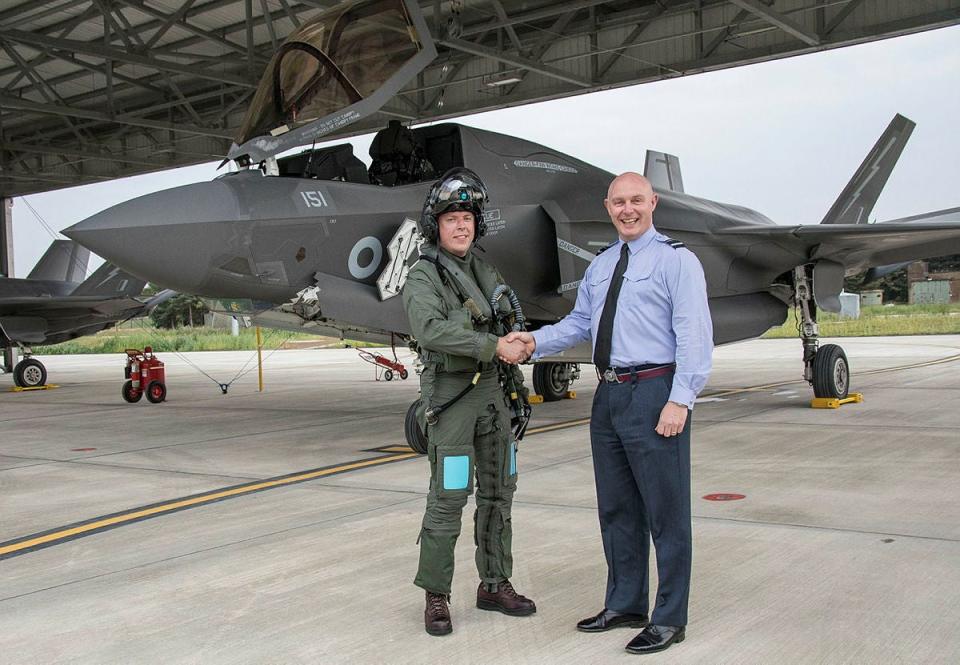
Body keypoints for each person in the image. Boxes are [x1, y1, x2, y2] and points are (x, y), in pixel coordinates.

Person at [508, 172, 712, 655]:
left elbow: (695, 338)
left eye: (636, 200)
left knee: (666, 513)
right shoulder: (601, 266)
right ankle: (624, 603)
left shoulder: (677, 262)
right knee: (617, 508)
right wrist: (535, 341)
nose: (628, 210)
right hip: (610, 394)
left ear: (652, 203)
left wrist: (680, 400)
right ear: (608, 207)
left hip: (655, 390)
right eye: (619, 202)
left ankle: (669, 617)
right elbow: (580, 323)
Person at [402, 167, 534, 637]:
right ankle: (436, 597)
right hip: (454, 401)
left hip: (495, 397)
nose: (461, 225)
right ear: (435, 224)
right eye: (451, 217)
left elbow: (501, 319)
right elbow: (432, 330)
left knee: (500, 492)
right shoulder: (423, 276)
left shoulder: (484, 269)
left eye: (468, 217)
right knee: (449, 498)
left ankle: (495, 584)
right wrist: (494, 347)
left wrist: (518, 342)